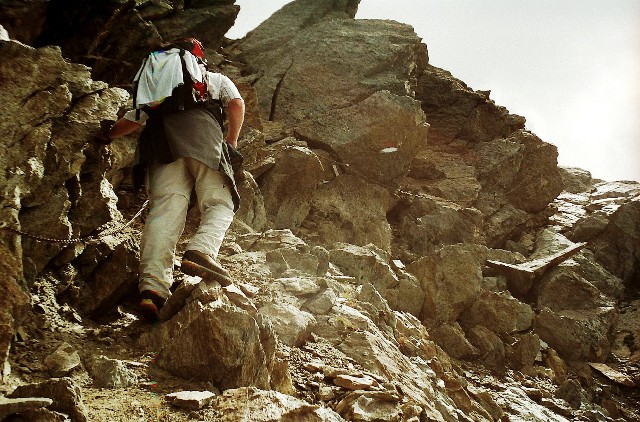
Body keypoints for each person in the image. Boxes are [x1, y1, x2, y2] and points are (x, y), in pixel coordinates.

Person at [104, 38, 245, 321]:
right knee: (220, 203)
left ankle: (152, 291)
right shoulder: (213, 78)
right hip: (204, 141)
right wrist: (230, 141)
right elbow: (237, 104)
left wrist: (104, 135)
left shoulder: (159, 82)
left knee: (165, 211)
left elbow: (134, 119)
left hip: (161, 146)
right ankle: (201, 251)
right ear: (199, 57)